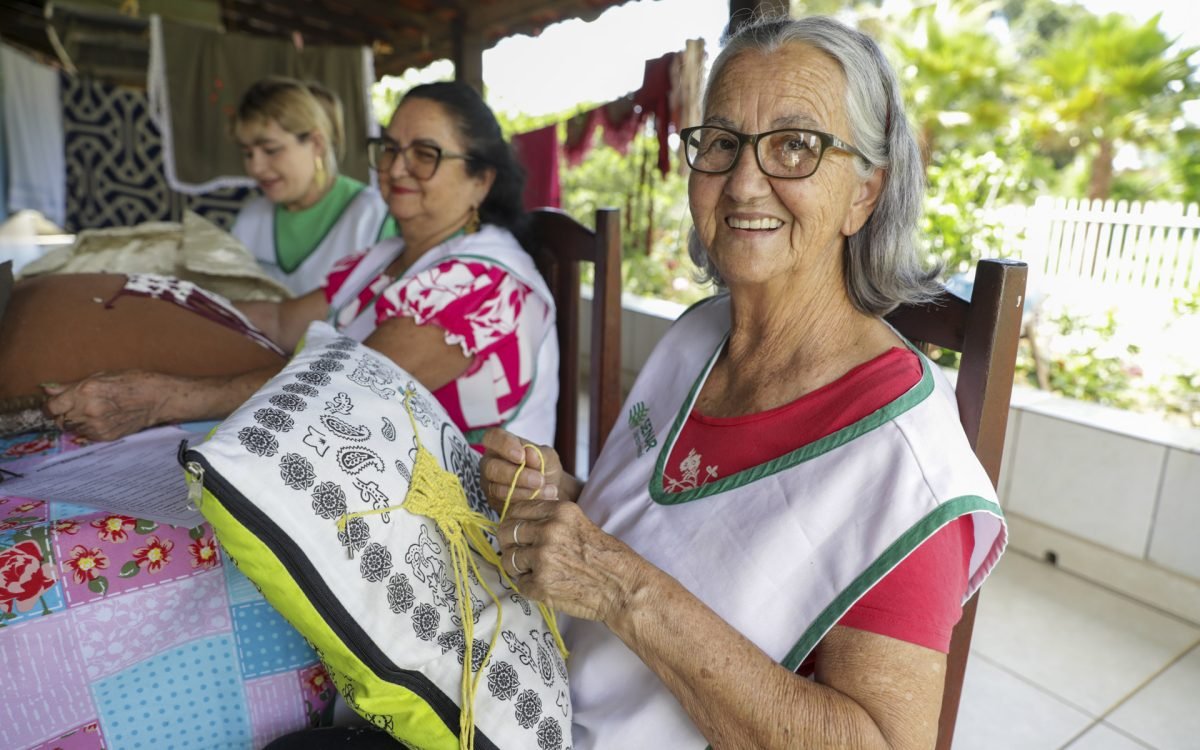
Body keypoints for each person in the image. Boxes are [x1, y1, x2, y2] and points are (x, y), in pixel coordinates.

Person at [475, 16, 1006, 749]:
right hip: (526, 697)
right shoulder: (697, 337)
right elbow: (672, 528)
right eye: (721, 143)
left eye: (796, 145)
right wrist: (564, 510)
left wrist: (617, 582)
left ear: (864, 194)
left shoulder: (903, 463)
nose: (745, 183)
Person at [43, 82, 558, 448]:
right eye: (389, 148)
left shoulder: (485, 286)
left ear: (481, 179)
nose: (397, 168)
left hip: (464, 536)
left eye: (425, 153)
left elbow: (347, 384)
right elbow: (282, 321)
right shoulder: (384, 260)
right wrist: (155, 304)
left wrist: (165, 398)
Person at [230, 77, 396, 294]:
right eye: (247, 153)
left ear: (316, 144)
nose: (256, 167)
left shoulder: (372, 218)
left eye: (271, 150)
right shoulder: (251, 219)